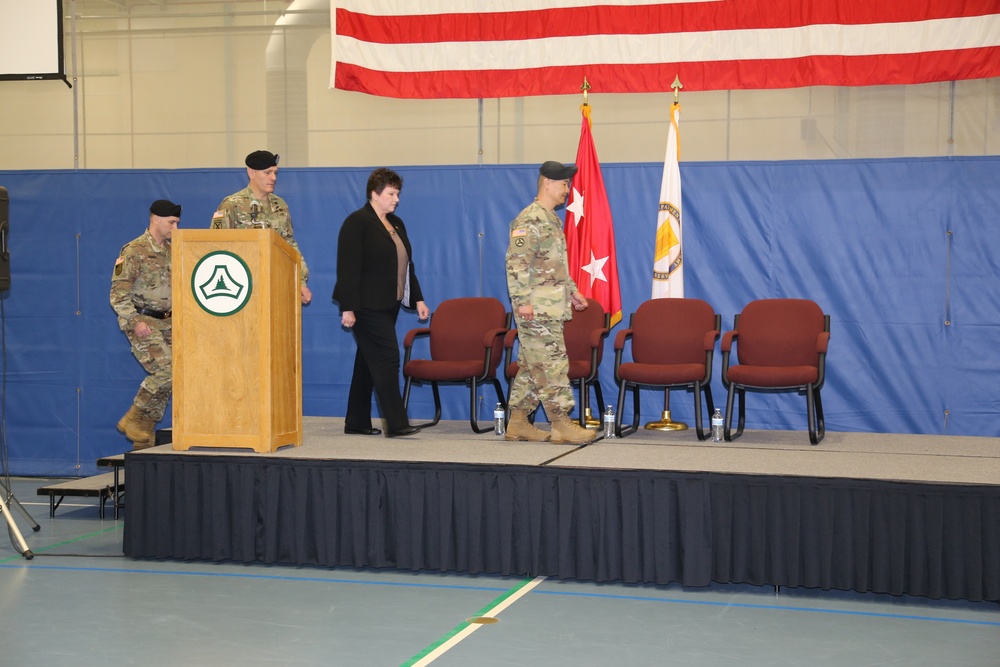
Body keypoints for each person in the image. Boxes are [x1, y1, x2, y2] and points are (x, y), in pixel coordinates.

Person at [333, 168, 430, 437]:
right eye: (391, 193)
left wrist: (418, 298)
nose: (396, 198)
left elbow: (406, 265)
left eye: (397, 193)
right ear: (374, 194)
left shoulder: (396, 223)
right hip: (365, 305)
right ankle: (397, 423)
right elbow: (348, 268)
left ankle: (356, 421)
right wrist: (347, 307)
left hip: (390, 303)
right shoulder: (357, 222)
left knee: (368, 359)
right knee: (387, 358)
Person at [504, 161, 596, 444]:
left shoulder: (550, 219)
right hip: (535, 307)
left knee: (533, 365)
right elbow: (516, 264)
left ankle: (518, 423)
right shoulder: (530, 219)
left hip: (551, 304)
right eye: (564, 184)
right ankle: (561, 423)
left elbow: (552, 266)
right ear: (547, 183)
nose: (567, 190)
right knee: (551, 364)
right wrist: (523, 304)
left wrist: (572, 290)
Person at [110, 199, 180, 449]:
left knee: (175, 376)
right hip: (143, 320)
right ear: (156, 219)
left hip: (169, 322)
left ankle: (143, 433)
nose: (175, 226)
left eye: (177, 222)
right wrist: (135, 321)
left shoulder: (174, 250)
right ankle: (133, 417)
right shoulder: (134, 250)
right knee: (168, 370)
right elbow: (118, 294)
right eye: (172, 222)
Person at [211, 150, 313, 305]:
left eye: (275, 173)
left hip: (275, 284)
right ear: (251, 173)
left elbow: (289, 246)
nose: (273, 178)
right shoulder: (231, 205)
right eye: (267, 173)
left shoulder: (280, 205)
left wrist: (300, 281)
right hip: (242, 288)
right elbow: (215, 245)